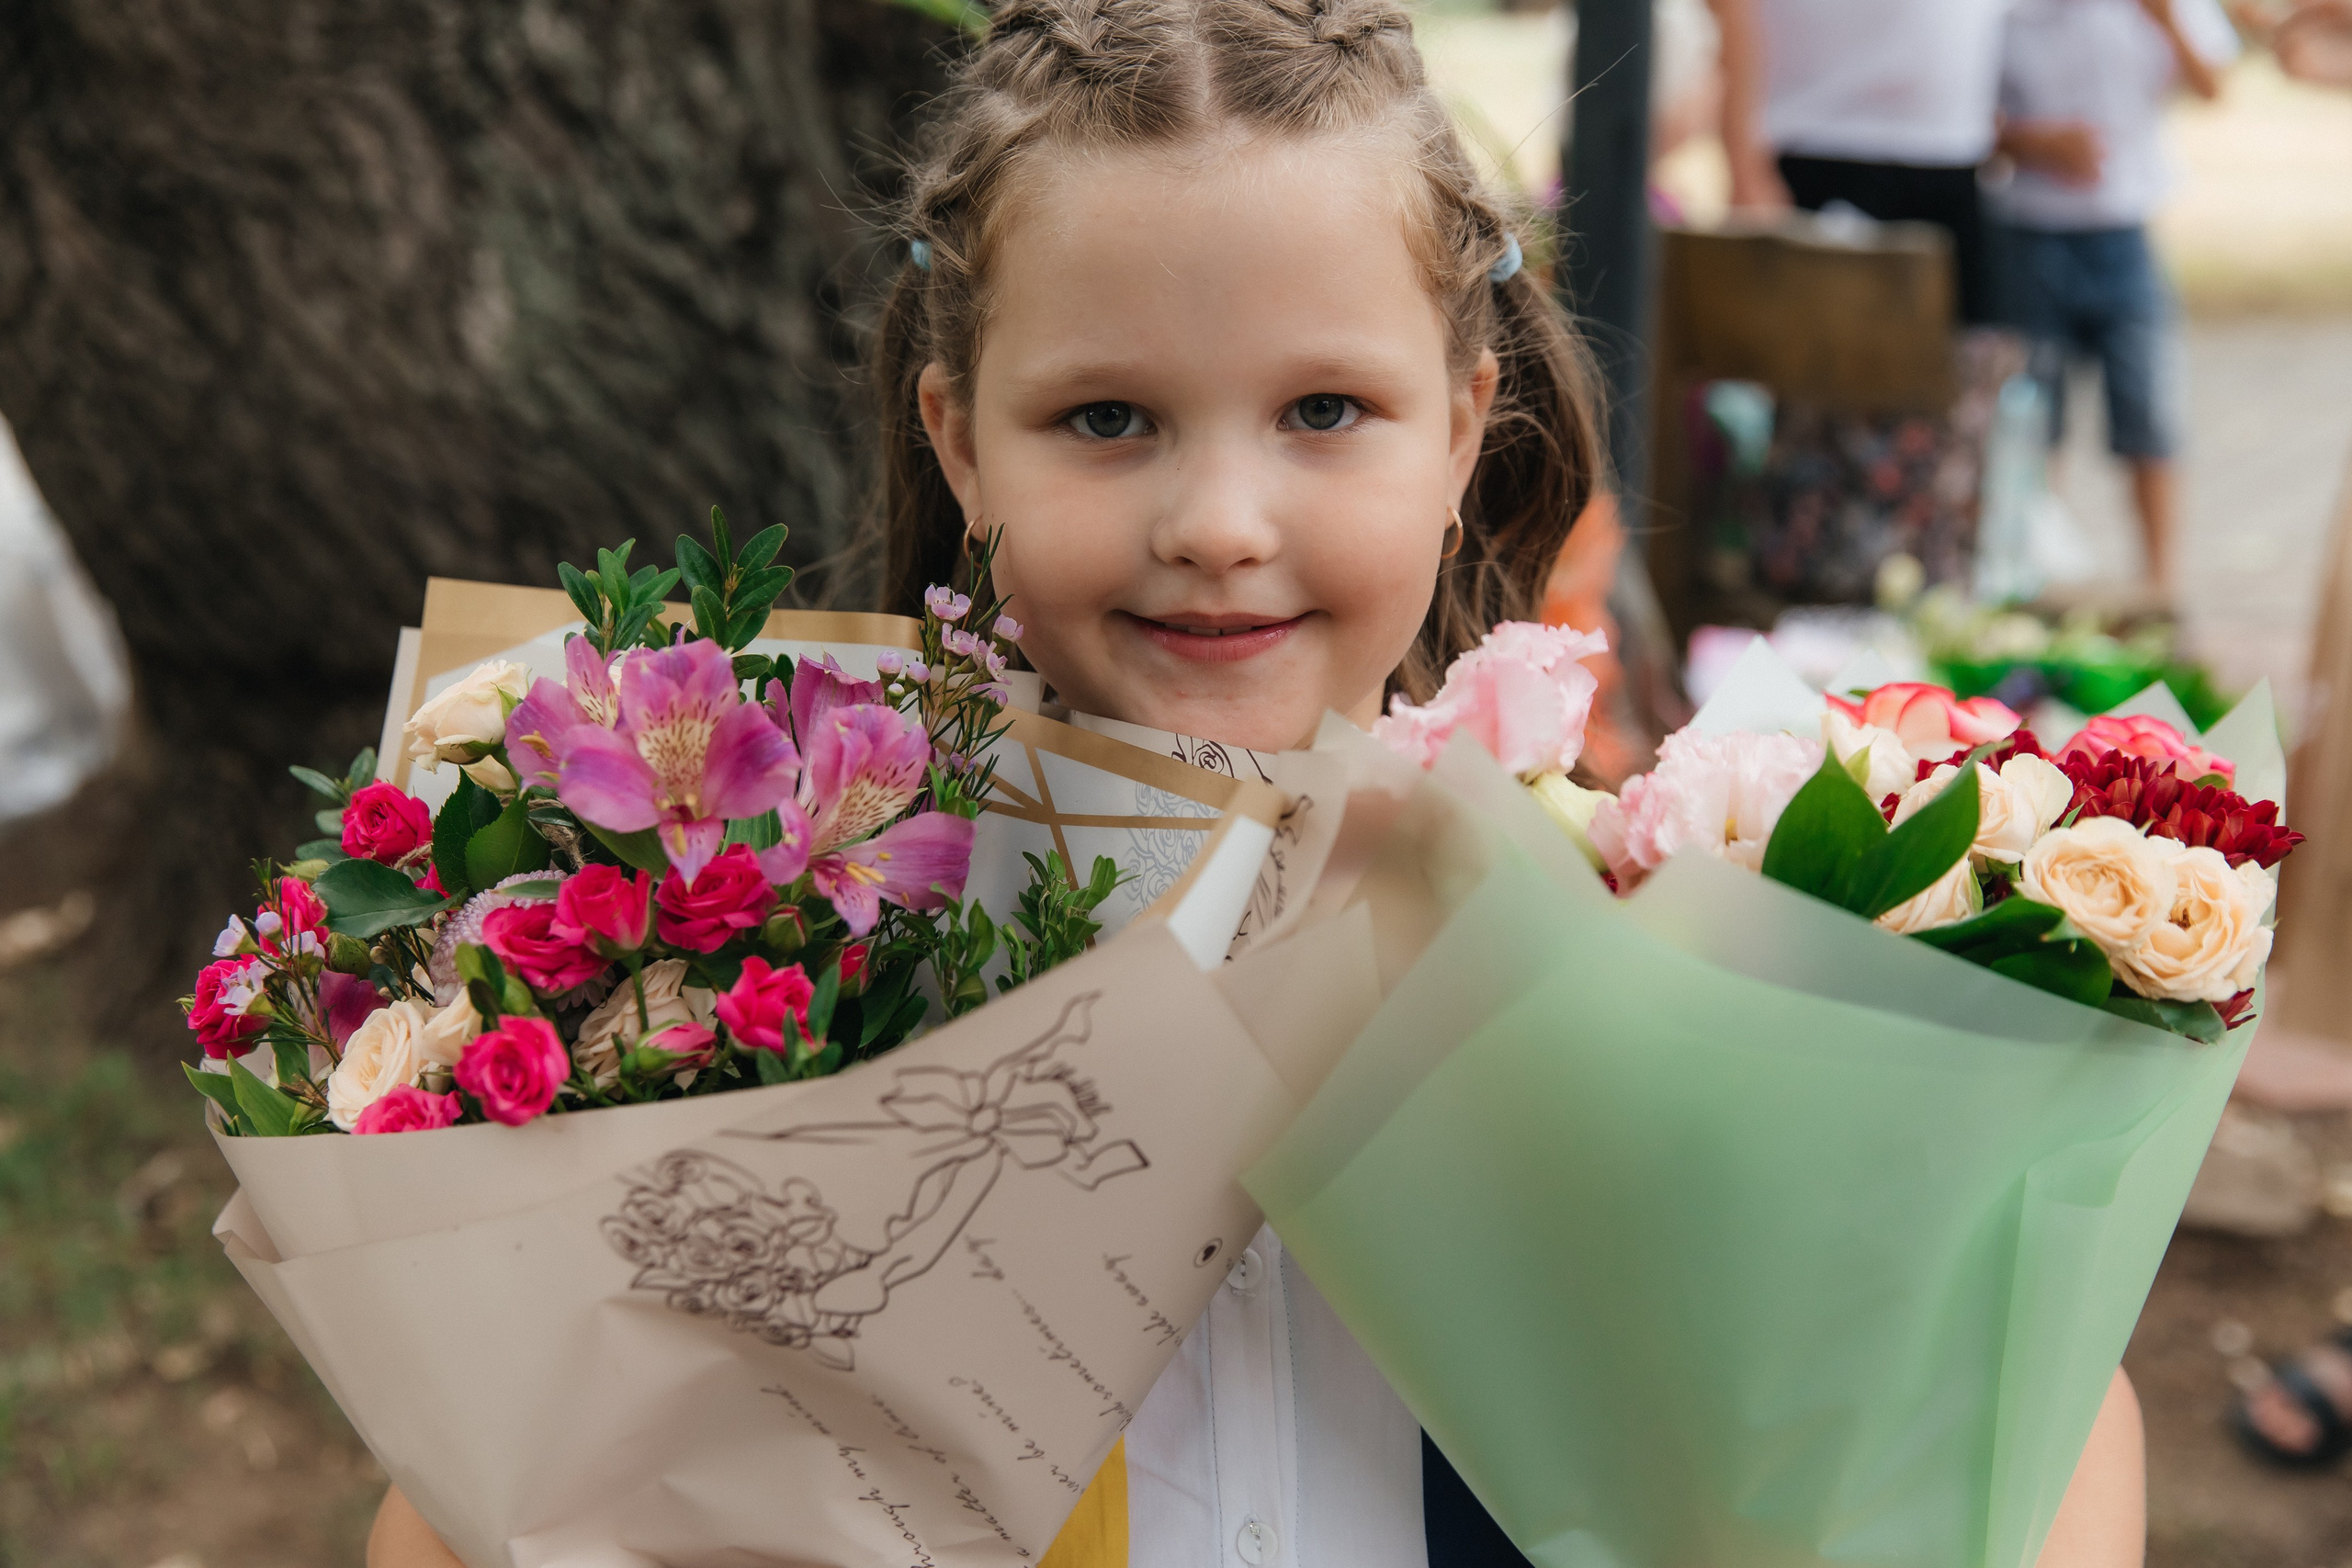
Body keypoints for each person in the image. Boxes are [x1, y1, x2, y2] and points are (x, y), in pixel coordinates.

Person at [368, 0, 2148, 1562]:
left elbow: (2034, 1413)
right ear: (958, 441)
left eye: (1321, 412)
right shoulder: (765, 971)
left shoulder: (1654, 939)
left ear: (1463, 426)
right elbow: (465, 1501)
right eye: (1107, 418)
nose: (1218, 523)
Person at [1988, 0, 2233, 598]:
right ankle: (2033, 582)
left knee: (2149, 414)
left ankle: (2162, 589)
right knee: (2033, 424)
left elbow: (2213, 86)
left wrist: (2165, 19)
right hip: (2030, 231)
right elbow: (1960, 115)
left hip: (2125, 233)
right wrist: (2031, 142)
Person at [1707, 0, 2016, 323]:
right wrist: (1746, 169)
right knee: (1813, 339)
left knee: (1961, 342)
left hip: (1960, 158)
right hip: (1820, 148)